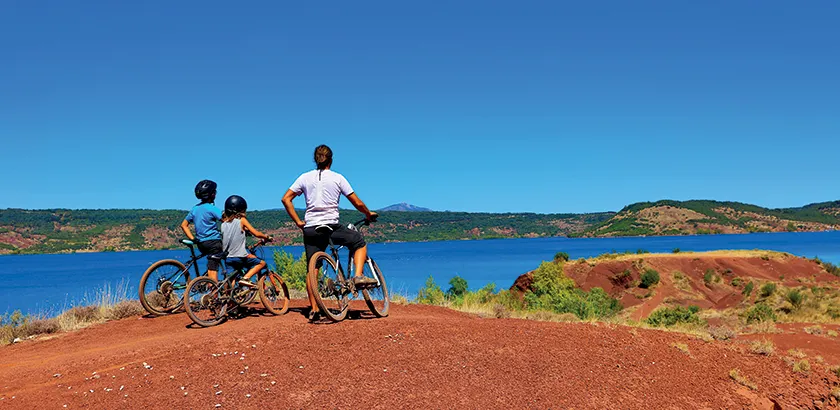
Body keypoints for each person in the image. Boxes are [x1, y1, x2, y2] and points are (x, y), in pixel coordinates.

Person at [281, 145, 378, 320]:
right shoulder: (337, 178)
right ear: (330, 160)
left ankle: (314, 309)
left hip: (310, 228)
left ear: (315, 159)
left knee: (312, 269)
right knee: (358, 242)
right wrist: (368, 213)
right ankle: (357, 276)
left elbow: (286, 198)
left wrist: (298, 221)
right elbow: (356, 202)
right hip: (330, 227)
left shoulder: (304, 177)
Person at [220, 195, 272, 288]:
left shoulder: (223, 224)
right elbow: (256, 233)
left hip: (228, 257)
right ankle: (246, 278)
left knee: (231, 280)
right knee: (262, 263)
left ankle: (229, 299)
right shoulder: (242, 220)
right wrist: (266, 237)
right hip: (239, 257)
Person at [180, 179, 223, 282]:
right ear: (212, 194)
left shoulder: (195, 209)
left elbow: (183, 225)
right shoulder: (212, 208)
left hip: (201, 244)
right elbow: (226, 221)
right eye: (214, 192)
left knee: (212, 262)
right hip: (213, 242)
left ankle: (207, 282)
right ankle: (213, 292)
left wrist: (193, 238)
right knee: (213, 268)